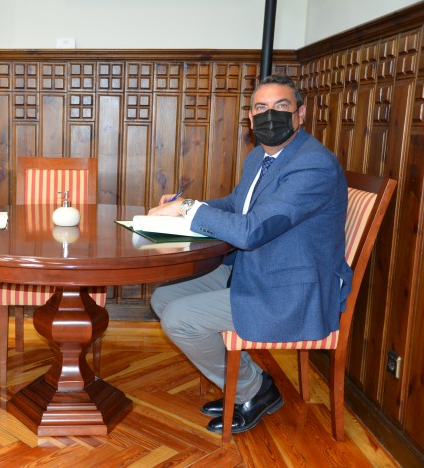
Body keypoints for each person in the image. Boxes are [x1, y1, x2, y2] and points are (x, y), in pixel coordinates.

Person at [148, 75, 353, 435]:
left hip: (291, 290)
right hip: (257, 268)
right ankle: (249, 380)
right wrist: (186, 206)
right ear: (250, 115)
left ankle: (254, 390)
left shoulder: (313, 165)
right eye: (260, 108)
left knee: (180, 318)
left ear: (301, 114)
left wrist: (189, 211)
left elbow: (250, 230)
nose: (268, 115)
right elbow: (237, 205)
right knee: (164, 297)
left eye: (281, 107)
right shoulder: (261, 155)